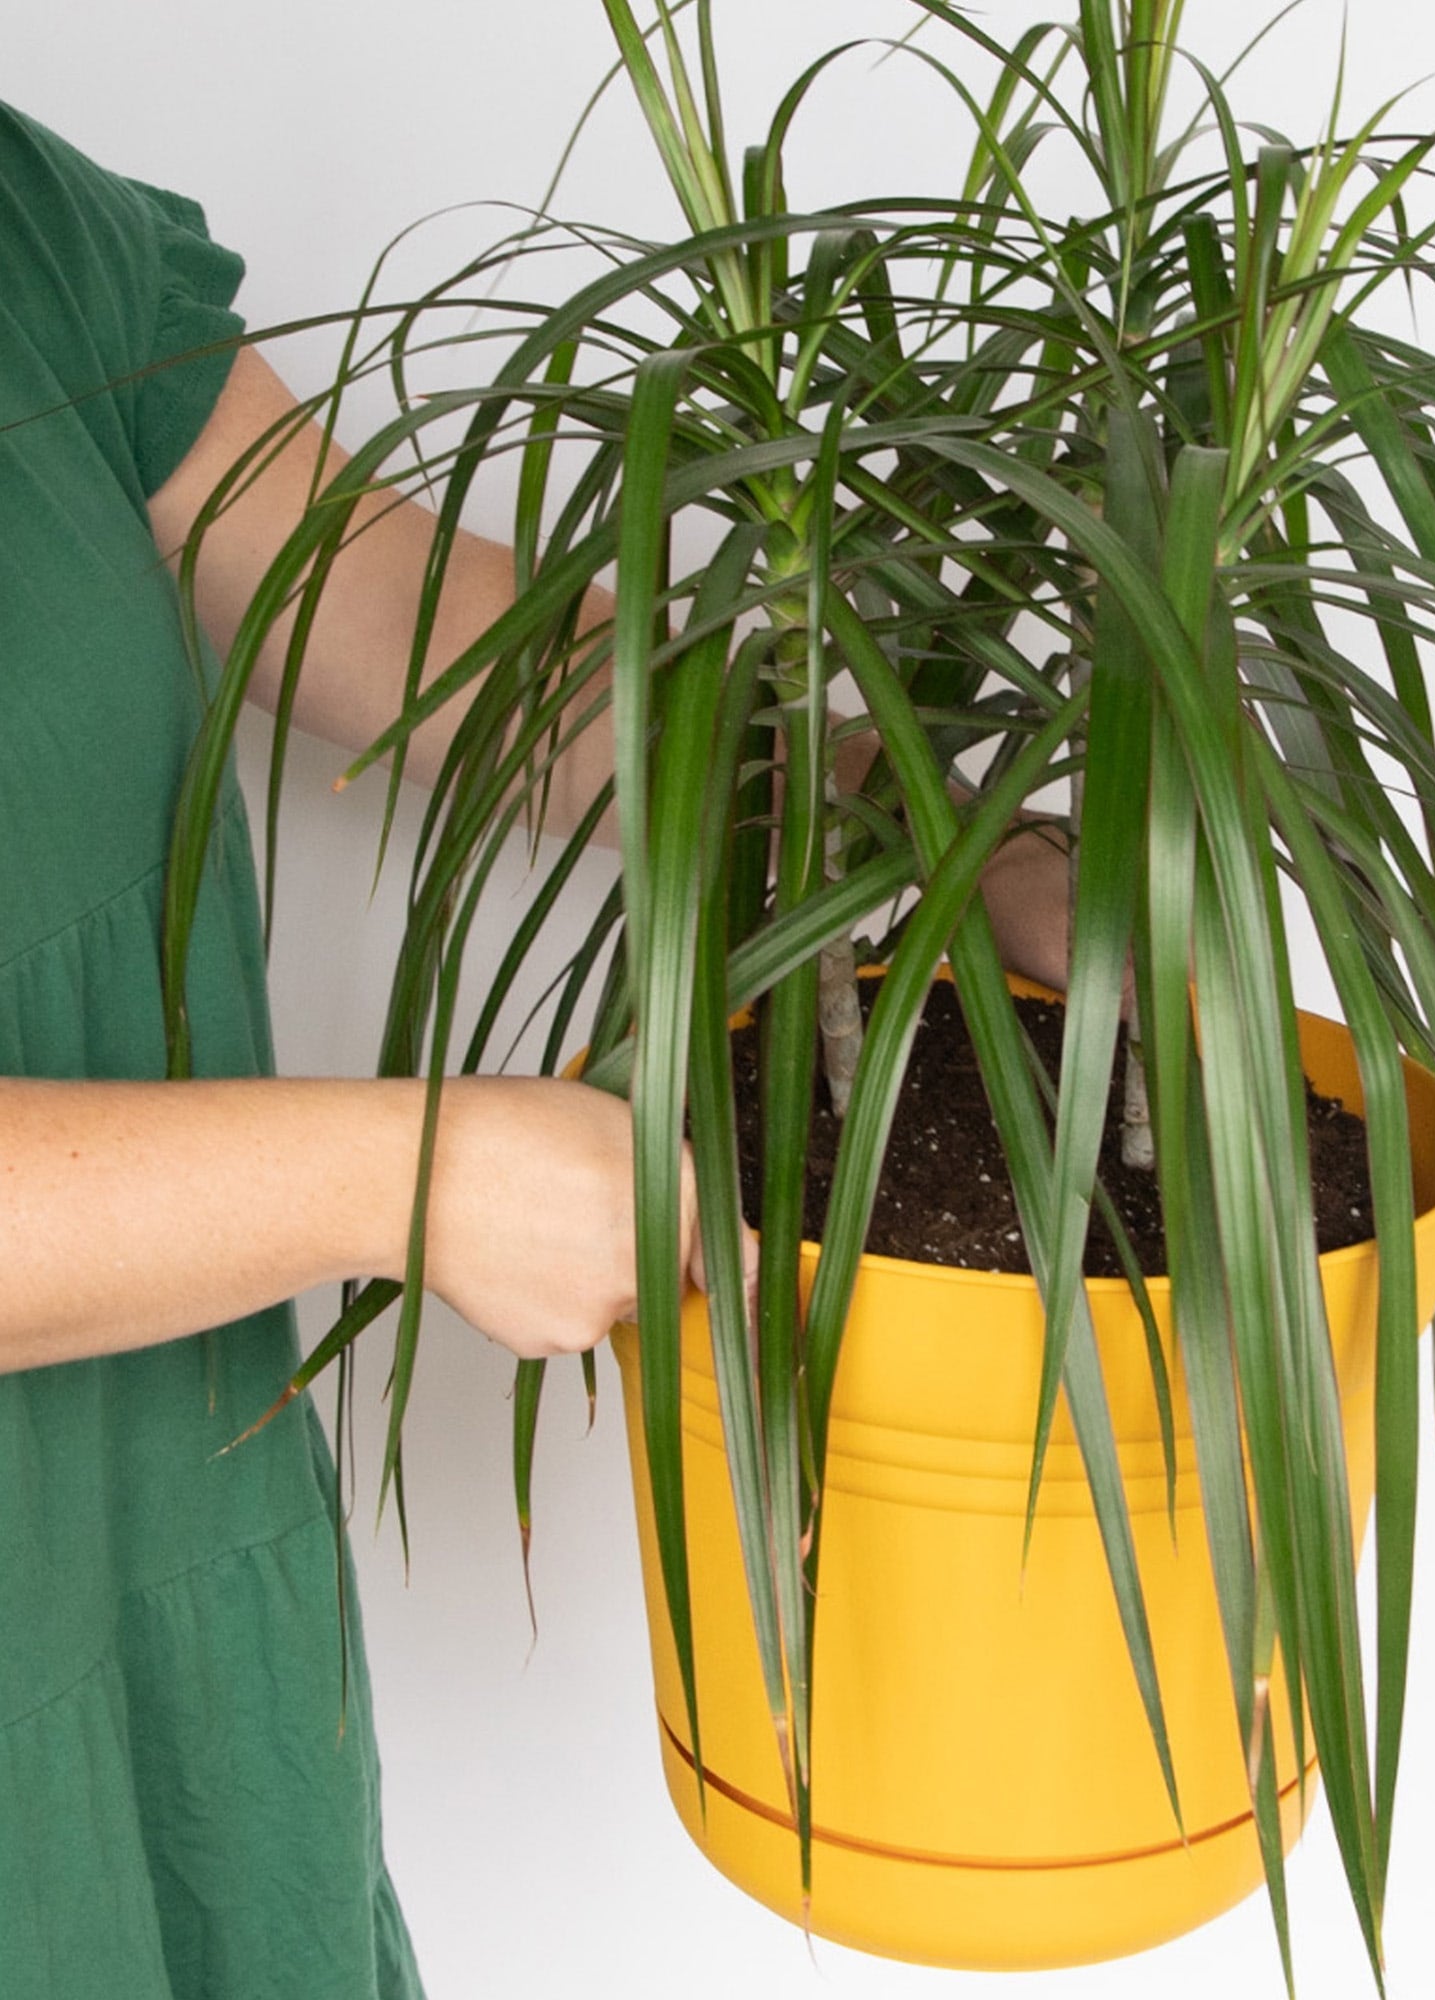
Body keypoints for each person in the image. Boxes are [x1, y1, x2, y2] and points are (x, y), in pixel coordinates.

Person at [0, 102, 1070, 1996]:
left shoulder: (23, 226)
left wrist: (918, 826)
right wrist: (417, 1176)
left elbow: (413, 618)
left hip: (158, 1552)